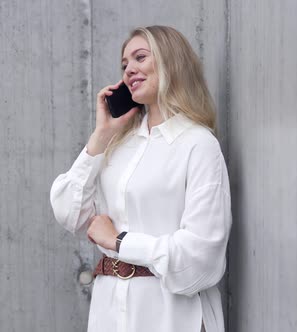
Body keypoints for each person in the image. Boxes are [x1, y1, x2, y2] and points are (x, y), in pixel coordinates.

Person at [50, 25, 231, 332]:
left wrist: (120, 242)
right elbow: (68, 212)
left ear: (171, 63)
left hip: (171, 318)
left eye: (140, 57)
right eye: (124, 65)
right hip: (110, 315)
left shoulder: (198, 145)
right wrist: (101, 136)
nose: (129, 69)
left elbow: (201, 261)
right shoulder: (118, 147)